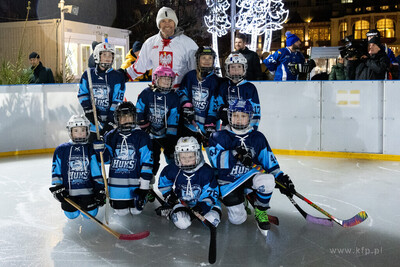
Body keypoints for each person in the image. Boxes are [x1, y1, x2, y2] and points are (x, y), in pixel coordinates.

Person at [208, 99, 295, 236]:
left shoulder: (257, 137)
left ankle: (260, 210)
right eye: (236, 115)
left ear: (249, 117)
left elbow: (269, 162)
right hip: (229, 182)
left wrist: (281, 177)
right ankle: (245, 196)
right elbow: (216, 161)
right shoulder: (218, 136)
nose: (239, 119)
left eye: (243, 116)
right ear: (230, 116)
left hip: (250, 175)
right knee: (238, 220)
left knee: (267, 180)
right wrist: (235, 153)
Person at [99, 101, 153, 216]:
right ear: (117, 119)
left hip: (135, 182)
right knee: (121, 212)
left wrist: (144, 187)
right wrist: (100, 149)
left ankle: (145, 195)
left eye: (129, 117)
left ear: (135, 118)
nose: (127, 120)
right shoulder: (110, 136)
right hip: (117, 185)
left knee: (136, 210)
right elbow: (107, 160)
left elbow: (147, 161)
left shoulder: (142, 136)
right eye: (123, 117)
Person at [126, 6, 198, 88]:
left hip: (179, 94)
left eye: (170, 21)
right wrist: (123, 74)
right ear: (159, 24)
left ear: (175, 23)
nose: (167, 24)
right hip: (157, 93)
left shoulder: (188, 44)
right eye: (163, 21)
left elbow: (195, 71)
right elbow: (139, 66)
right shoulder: (150, 43)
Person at [158, 136, 221, 229]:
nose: (187, 160)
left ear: (197, 155)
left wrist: (201, 208)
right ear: (177, 156)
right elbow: (164, 183)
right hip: (182, 202)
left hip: (206, 204)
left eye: (190, 156)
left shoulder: (206, 171)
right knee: (182, 223)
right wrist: (169, 195)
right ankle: (170, 212)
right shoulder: (173, 169)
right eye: (183, 157)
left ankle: (199, 213)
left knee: (212, 221)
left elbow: (211, 193)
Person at [49, 115, 105, 219]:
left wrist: (100, 189)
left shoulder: (91, 149)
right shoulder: (61, 150)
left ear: (88, 131)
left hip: (88, 192)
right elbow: (56, 170)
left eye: (83, 130)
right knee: (71, 215)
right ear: (70, 132)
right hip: (69, 193)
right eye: (76, 130)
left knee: (90, 215)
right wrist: (58, 187)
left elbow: (96, 171)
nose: (80, 133)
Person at [78, 42, 126, 142]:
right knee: (92, 152)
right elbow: (82, 94)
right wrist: (89, 110)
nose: (108, 57)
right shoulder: (88, 74)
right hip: (93, 122)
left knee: (109, 151)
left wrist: (111, 120)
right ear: (97, 55)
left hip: (111, 122)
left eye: (110, 55)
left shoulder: (118, 77)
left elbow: (117, 100)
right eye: (104, 54)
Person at [136, 66, 180, 176]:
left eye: (169, 79)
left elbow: (173, 118)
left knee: (172, 156)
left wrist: (171, 137)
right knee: (152, 159)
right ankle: (148, 184)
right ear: (156, 79)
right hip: (148, 134)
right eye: (163, 78)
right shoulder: (146, 93)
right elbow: (139, 110)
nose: (166, 81)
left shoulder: (173, 97)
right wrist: (143, 126)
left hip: (164, 134)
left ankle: (176, 178)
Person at [177, 46, 221, 148]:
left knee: (213, 155)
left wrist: (211, 121)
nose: (207, 61)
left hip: (210, 126)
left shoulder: (217, 81)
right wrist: (186, 106)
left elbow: (216, 101)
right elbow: (182, 92)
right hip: (191, 125)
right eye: (203, 58)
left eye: (210, 58)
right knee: (193, 155)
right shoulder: (190, 76)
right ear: (198, 60)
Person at [212, 52, 261, 130]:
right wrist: (223, 111)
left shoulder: (250, 88)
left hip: (246, 128)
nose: (236, 70)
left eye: (239, 67)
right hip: (227, 127)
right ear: (227, 69)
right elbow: (217, 106)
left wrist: (253, 128)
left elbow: (256, 111)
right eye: (232, 67)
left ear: (244, 68)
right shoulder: (223, 86)